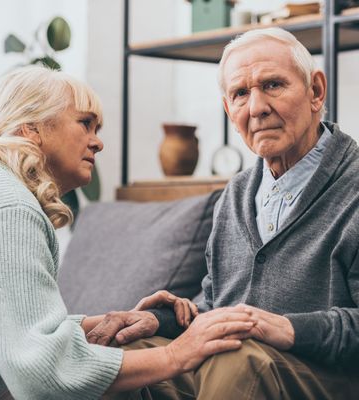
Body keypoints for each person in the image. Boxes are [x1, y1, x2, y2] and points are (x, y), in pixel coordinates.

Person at [0, 65, 258, 400]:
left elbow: (12, 330)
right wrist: (176, 354)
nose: (98, 142)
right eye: (85, 123)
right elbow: (42, 373)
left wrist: (113, 320)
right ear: (31, 129)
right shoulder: (5, 207)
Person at [95, 27, 359, 399]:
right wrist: (162, 319)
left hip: (325, 378)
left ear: (316, 91)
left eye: (273, 85)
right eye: (240, 94)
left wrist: (287, 328)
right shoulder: (235, 194)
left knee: (238, 361)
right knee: (121, 360)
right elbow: (218, 306)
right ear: (228, 109)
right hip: (233, 369)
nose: (256, 108)